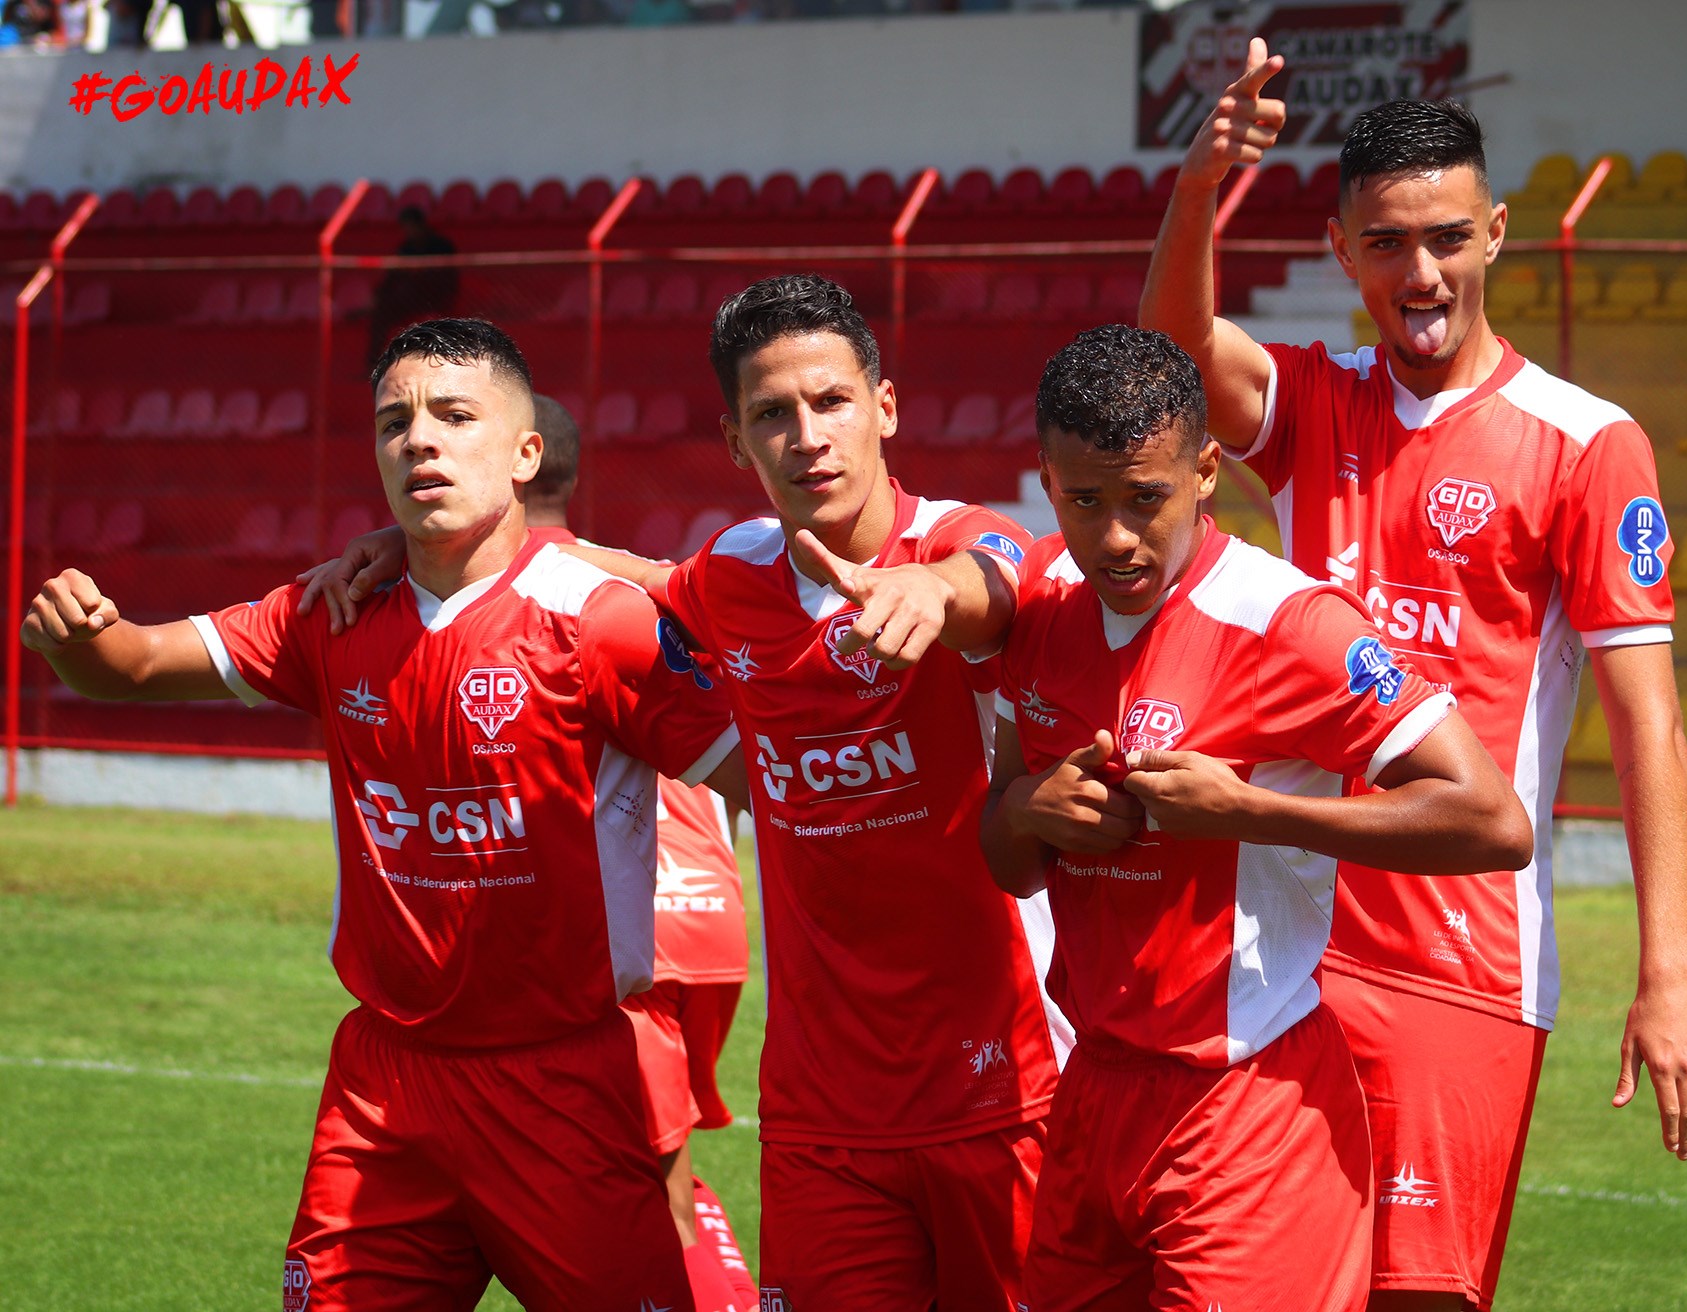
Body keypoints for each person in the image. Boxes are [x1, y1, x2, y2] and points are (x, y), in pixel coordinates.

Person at [300, 276, 1068, 1312]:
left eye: (832, 402)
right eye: (771, 415)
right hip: (819, 1114)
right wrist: (421, 546)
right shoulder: (733, 572)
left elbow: (1008, 574)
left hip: (1001, 1087)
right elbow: (599, 571)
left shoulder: (956, 543)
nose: (808, 436)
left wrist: (934, 591)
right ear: (735, 440)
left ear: (885, 408)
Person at [1140, 48, 1687, 1311]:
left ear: (1499, 234)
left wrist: (1667, 972)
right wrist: (1199, 183)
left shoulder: (1585, 442)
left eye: (1450, 237)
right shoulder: (1313, 405)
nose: (1423, 274)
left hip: (1456, 968)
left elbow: (1649, 728)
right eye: (1390, 243)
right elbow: (1169, 360)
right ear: (1341, 249)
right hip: (1280, 954)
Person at [20, 318, 744, 1311]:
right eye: (394, 421)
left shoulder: (598, 618)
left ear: (527, 452)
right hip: (383, 1091)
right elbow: (131, 666)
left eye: (454, 415)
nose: (420, 440)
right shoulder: (336, 610)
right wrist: (78, 637)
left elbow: (769, 778)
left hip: (564, 1085)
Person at [981, 325, 1532, 1312]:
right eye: (1084, 500)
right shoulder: (1043, 608)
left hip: (1245, 1102)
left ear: (1205, 470)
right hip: (1094, 1091)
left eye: (1145, 499)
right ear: (1047, 478)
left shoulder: (1292, 623)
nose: (1115, 535)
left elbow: (1493, 820)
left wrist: (1252, 811)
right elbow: (1008, 860)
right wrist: (1029, 808)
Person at [526, 390, 760, 1312]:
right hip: (715, 919)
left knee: (647, 1186)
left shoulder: (529, 598)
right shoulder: (640, 587)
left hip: (634, 932)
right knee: (663, 1162)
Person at [368, 208, 461, 368]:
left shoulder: (441, 245)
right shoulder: (406, 248)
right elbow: (393, 276)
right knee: (381, 312)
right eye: (406, 227)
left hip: (434, 297)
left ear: (421, 225)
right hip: (407, 300)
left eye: (412, 226)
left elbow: (447, 278)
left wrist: (419, 272)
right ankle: (374, 364)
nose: (409, 231)